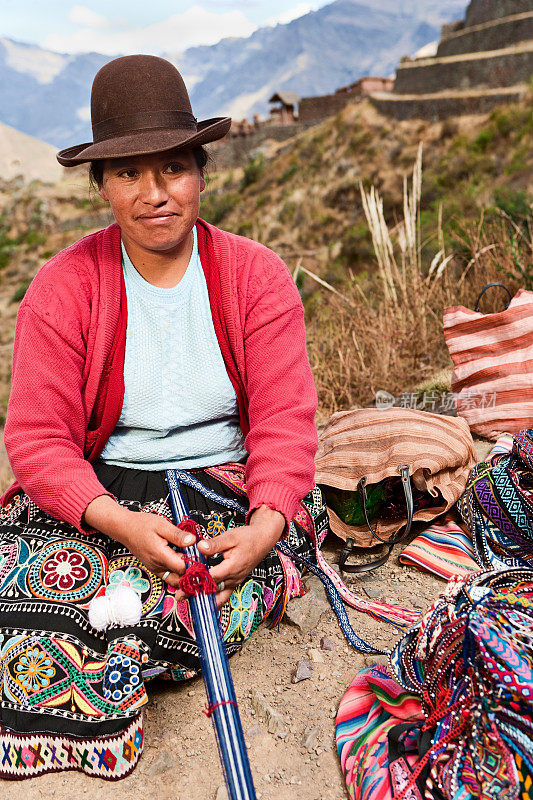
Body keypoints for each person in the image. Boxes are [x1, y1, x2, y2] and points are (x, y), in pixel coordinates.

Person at [0, 55, 328, 781]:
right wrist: (117, 522)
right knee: (30, 607)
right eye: (127, 174)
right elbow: (37, 438)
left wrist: (267, 524)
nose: (154, 194)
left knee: (205, 585)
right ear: (100, 186)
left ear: (202, 173)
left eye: (173, 168)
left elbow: (283, 421)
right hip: (102, 494)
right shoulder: (63, 288)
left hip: (224, 488)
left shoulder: (254, 276)